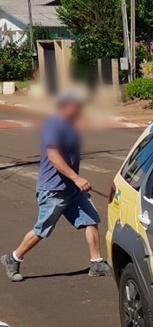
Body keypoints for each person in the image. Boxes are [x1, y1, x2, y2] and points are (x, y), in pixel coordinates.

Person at [2, 92, 112, 282]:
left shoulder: (69, 126)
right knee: (43, 229)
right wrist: (77, 178)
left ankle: (97, 263)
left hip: (72, 189)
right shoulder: (54, 126)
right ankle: (13, 258)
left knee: (91, 220)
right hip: (54, 189)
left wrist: (75, 183)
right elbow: (54, 157)